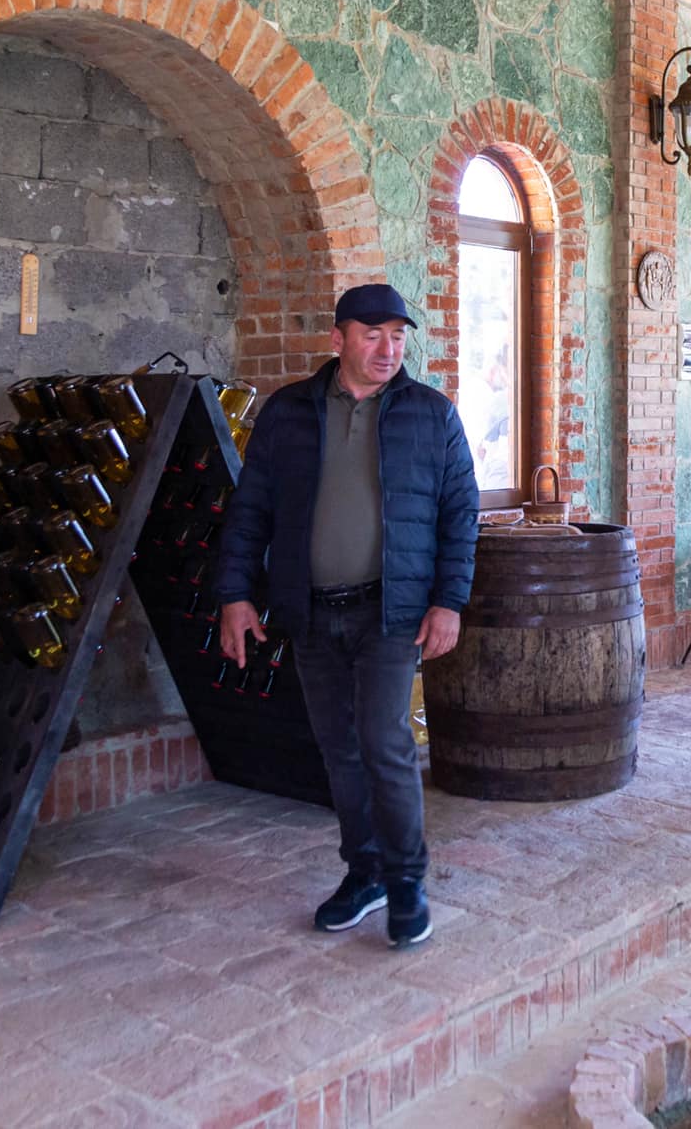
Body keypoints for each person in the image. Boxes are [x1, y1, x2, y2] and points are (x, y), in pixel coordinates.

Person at [215, 283, 480, 947]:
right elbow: (251, 510)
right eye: (372, 335)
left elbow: (460, 516)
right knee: (338, 749)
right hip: (310, 611)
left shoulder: (432, 415)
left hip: (391, 611)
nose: (388, 348)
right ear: (338, 340)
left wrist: (449, 601)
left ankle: (407, 880)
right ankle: (364, 874)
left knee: (384, 743)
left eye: (398, 336)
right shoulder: (287, 414)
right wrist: (235, 595)